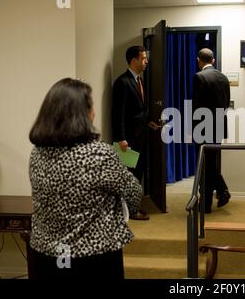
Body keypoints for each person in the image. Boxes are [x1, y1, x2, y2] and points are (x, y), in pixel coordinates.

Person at [28, 78, 143, 279]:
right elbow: (133, 195)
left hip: (47, 255)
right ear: (83, 114)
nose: (94, 113)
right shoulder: (99, 154)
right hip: (93, 258)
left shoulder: (37, 153)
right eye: (91, 107)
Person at [112, 45, 160, 220]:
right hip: (128, 141)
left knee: (137, 174)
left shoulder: (139, 80)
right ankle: (130, 211)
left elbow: (139, 111)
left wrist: (149, 123)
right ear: (134, 60)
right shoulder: (122, 82)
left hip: (141, 136)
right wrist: (121, 139)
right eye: (144, 58)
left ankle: (133, 207)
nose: (146, 61)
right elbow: (118, 113)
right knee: (130, 176)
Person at [192, 48, 231, 213]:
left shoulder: (199, 77)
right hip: (219, 126)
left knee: (204, 164)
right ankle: (221, 191)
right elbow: (227, 102)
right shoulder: (223, 77)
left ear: (198, 60)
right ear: (213, 61)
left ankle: (206, 204)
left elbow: (196, 106)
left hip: (202, 127)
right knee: (211, 162)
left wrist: (191, 128)